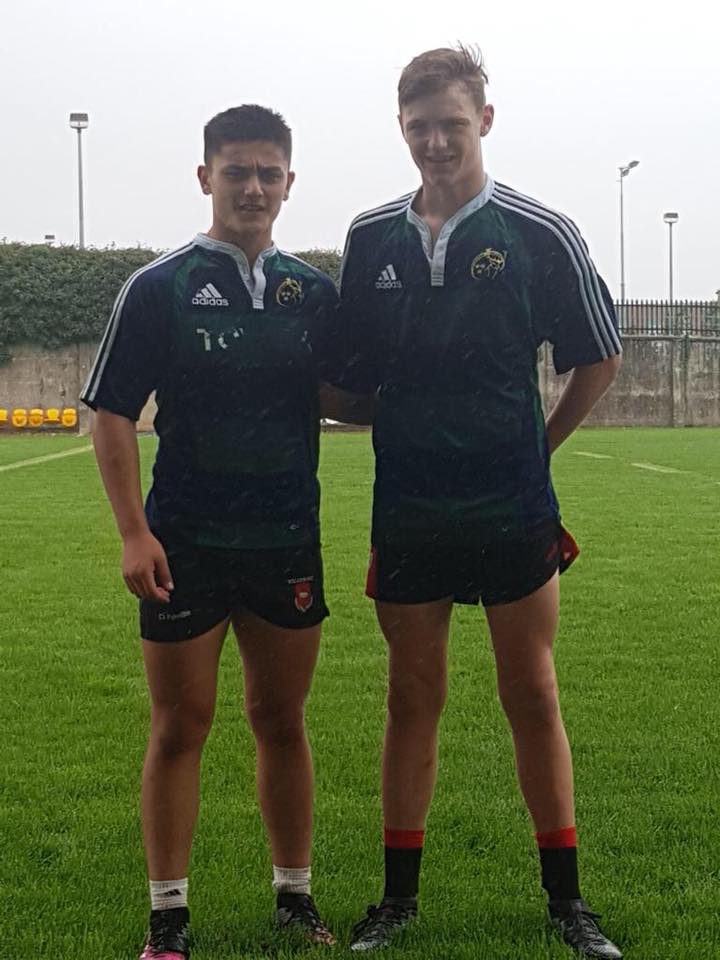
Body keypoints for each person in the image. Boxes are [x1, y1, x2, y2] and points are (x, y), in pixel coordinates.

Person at [328, 46, 623, 958]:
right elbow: (351, 380)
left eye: (452, 124)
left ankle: (569, 904)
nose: (436, 142)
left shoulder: (540, 232)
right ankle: (397, 902)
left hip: (510, 503)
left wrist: (538, 447)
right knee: (411, 695)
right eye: (419, 127)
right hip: (409, 505)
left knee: (531, 691)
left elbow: (599, 356)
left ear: (484, 121)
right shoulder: (369, 239)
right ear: (401, 128)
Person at [81, 105, 337, 959]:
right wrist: (134, 532)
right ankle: (168, 921)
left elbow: (357, 394)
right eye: (237, 172)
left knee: (282, 720)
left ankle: (294, 898)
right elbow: (112, 413)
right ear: (206, 178)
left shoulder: (314, 294)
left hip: (287, 540)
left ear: (290, 182)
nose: (253, 188)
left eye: (269, 173)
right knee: (181, 724)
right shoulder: (158, 288)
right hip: (185, 542)